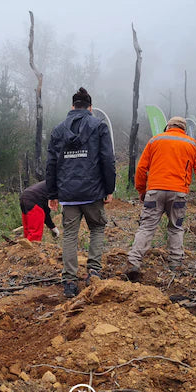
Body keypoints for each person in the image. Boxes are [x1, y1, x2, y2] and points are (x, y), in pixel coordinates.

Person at [46, 87, 116, 298]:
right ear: (90, 108)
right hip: (93, 191)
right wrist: (109, 188)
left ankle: (69, 280)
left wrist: (52, 194)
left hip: (68, 194)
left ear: (72, 106)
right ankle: (94, 271)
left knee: (69, 235)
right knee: (96, 228)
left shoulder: (58, 130)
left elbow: (51, 164)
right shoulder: (99, 126)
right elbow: (107, 159)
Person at [125, 117, 196, 281]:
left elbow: (142, 168)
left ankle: (134, 262)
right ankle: (175, 263)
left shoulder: (155, 141)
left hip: (155, 191)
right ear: (183, 129)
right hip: (178, 193)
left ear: (168, 126)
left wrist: (141, 190)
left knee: (147, 227)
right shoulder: (192, 144)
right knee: (176, 228)